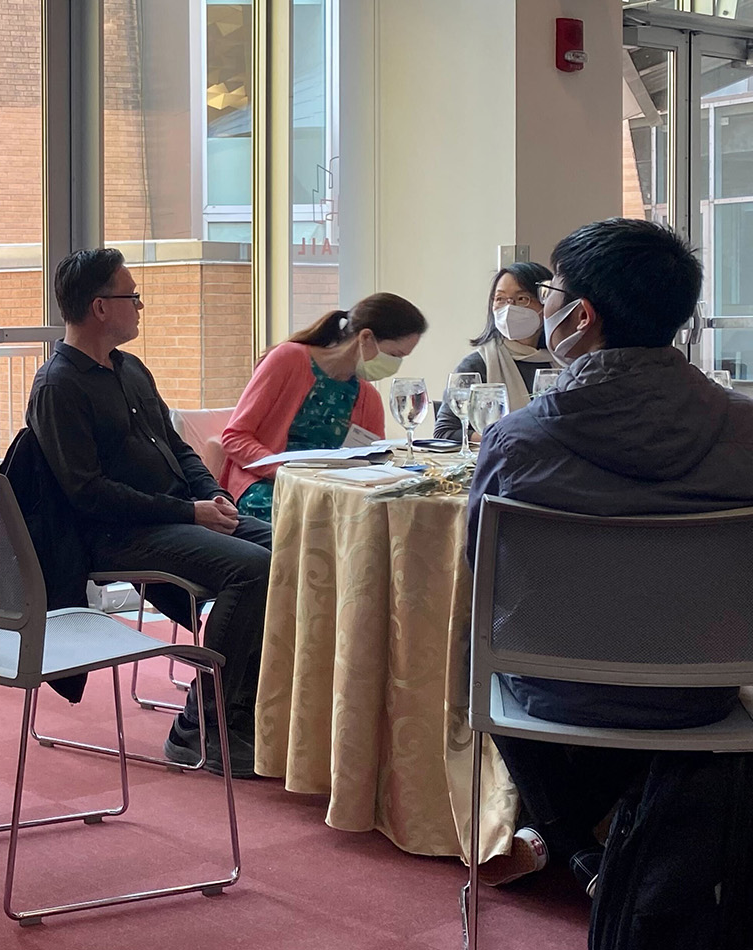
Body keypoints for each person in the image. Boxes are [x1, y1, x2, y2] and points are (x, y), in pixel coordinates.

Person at [464, 217, 753, 893]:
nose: (542, 307)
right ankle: (628, 841)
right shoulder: (747, 430)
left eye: (552, 293)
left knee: (473, 655)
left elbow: (486, 573)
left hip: (559, 692)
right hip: (704, 691)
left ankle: (581, 851)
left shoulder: (516, 440)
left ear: (581, 316)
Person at [27, 248, 273, 778]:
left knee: (291, 546)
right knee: (251, 569)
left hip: (175, 516)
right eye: (131, 296)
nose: (140, 305)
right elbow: (88, 494)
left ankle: (255, 706)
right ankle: (198, 728)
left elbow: (179, 448)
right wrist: (190, 512)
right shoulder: (58, 385)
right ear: (99, 308)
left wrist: (214, 498)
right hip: (117, 535)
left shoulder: (130, 368)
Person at [219, 294, 427, 522]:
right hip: (268, 484)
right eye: (395, 355)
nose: (396, 365)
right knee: (321, 523)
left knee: (378, 520)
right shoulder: (288, 359)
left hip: (329, 492)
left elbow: (372, 459)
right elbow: (234, 437)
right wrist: (284, 470)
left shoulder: (368, 397)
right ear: (366, 337)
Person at [434, 262, 557, 442]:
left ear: (547, 303)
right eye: (500, 299)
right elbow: (445, 432)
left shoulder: (565, 361)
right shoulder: (478, 364)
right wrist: (506, 440)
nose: (509, 307)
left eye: (522, 298)